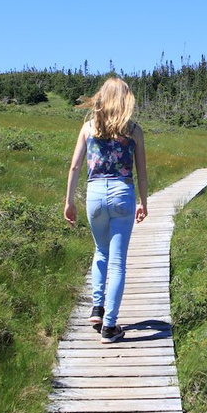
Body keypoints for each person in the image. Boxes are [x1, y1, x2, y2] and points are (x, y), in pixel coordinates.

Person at [64, 77, 149, 344]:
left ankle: (97, 308)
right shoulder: (133, 130)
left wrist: (69, 202)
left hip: (95, 194)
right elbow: (141, 171)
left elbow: (75, 167)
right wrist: (143, 202)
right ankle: (110, 327)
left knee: (101, 251)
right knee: (118, 262)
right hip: (122, 192)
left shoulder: (89, 127)